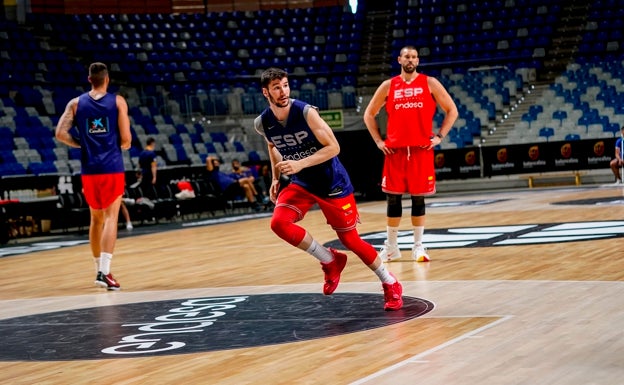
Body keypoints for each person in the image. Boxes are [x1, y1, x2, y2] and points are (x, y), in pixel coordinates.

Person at [253, 67, 403, 311]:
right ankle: (330, 260)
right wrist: (275, 178)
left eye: (286, 85)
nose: (283, 91)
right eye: (277, 87)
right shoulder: (263, 122)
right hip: (302, 183)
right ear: (265, 92)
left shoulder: (306, 113)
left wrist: (299, 163)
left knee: (351, 240)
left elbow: (334, 148)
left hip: (332, 184)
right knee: (278, 223)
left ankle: (391, 283)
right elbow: (272, 147)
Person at [363, 45, 458, 263]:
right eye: (407, 56)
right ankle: (392, 247)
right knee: (393, 200)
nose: (411, 60)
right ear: (399, 59)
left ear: (418, 61)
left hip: (420, 150)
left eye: (414, 57)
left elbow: (452, 110)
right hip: (395, 151)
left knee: (418, 200)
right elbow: (369, 114)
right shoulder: (389, 85)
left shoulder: (430, 82)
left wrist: (440, 136)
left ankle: (418, 247)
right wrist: (378, 140)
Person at [55, 62, 131, 290]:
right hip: (111, 167)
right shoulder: (117, 101)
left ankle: (98, 269)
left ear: (89, 80)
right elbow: (126, 140)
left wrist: (81, 144)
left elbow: (60, 133)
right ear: (107, 79)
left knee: (96, 219)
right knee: (111, 218)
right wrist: (119, 144)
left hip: (89, 170)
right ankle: (105, 272)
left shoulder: (76, 104)